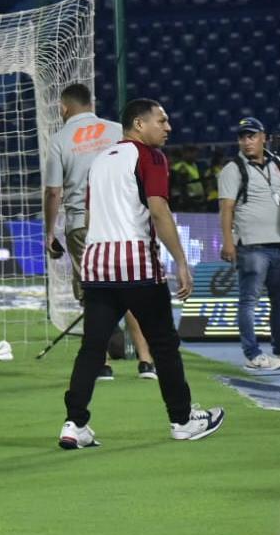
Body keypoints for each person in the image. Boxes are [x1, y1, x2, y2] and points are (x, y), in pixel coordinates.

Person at [59, 99, 224, 448]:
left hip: (97, 265)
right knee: (164, 344)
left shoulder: (101, 160)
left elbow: (89, 219)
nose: (168, 128)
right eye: (161, 121)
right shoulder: (150, 157)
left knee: (92, 347)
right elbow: (159, 210)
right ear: (139, 123)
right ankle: (181, 419)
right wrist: (180, 261)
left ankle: (74, 423)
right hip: (136, 266)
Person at [43, 84, 157, 379]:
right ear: (91, 103)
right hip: (122, 222)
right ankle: (146, 361)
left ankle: (102, 363)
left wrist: (49, 232)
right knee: (128, 287)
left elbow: (53, 192)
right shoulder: (118, 129)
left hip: (83, 224)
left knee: (95, 295)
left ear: (64, 108)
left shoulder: (59, 140)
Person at [217, 116, 280, 371]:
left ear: (263, 137)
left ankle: (278, 351)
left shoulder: (276, 164)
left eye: (252, 135)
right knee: (248, 301)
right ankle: (252, 353)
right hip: (252, 246)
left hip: (278, 244)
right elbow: (226, 209)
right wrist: (228, 242)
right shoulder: (233, 169)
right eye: (243, 137)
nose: (247, 141)